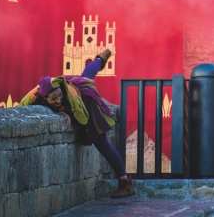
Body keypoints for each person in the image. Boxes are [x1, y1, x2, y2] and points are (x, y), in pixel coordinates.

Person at [19, 48, 133, 198]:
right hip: (76, 86)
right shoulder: (35, 96)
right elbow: (21, 107)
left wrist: (67, 115)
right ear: (44, 98)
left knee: (101, 141)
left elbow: (83, 118)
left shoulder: (69, 95)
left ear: (61, 90)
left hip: (85, 100)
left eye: (59, 96)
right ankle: (99, 60)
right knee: (87, 74)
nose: (58, 100)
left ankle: (124, 181)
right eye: (53, 99)